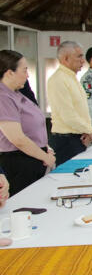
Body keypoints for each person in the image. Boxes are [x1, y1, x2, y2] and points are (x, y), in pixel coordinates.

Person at [0, 50, 56, 195]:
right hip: (19, 162)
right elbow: (17, 139)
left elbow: (33, 127)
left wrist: (44, 147)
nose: (28, 75)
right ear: (9, 73)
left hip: (33, 158)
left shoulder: (17, 93)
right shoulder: (3, 97)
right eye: (24, 70)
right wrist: (45, 157)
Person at [47, 41, 92, 166]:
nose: (83, 61)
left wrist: (86, 131)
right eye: (79, 56)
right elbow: (68, 116)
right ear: (66, 58)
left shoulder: (72, 78)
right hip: (66, 141)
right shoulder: (58, 80)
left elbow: (80, 111)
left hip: (78, 138)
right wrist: (90, 131)